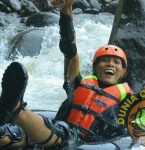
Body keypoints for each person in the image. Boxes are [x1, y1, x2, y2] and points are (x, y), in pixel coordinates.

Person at [0, 0, 137, 149]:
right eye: (104, 60)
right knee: (10, 137)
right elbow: (69, 50)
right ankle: (12, 117)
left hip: (83, 142)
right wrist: (66, 11)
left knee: (63, 133)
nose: (110, 64)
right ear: (95, 67)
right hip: (57, 130)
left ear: (123, 71)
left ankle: (17, 110)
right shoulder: (78, 83)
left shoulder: (129, 102)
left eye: (116, 62)